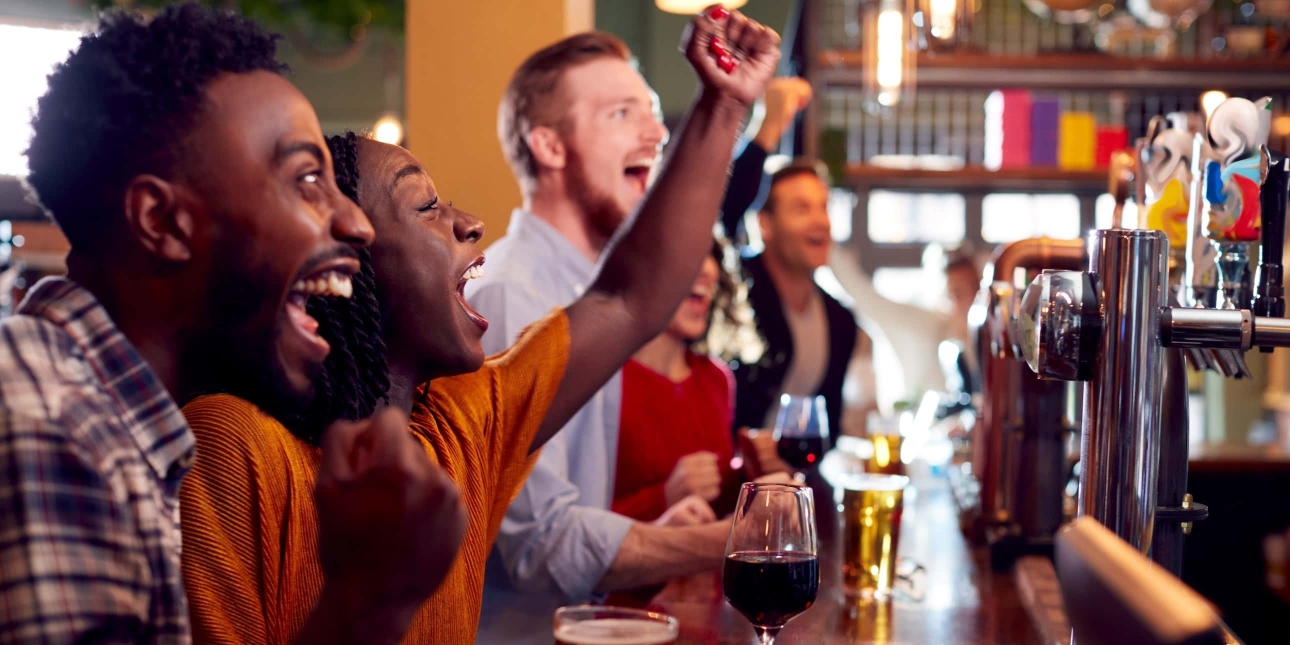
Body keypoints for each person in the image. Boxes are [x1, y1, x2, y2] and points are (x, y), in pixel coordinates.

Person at [178, 9, 781, 645]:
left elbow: (632, 296)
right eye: (426, 206)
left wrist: (724, 104)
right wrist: (375, 596)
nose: (470, 222)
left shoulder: (457, 425)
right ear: (350, 253)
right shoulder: (233, 447)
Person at [0, 5, 463, 644]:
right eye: (306, 180)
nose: (356, 226)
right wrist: (369, 600)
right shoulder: (45, 419)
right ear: (161, 223)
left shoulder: (121, 427)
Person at [466, 23, 781, 642]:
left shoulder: (588, 288)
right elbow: (537, 546)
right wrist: (732, 541)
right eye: (621, 113)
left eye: (655, 113)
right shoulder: (512, 295)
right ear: (550, 147)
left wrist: (665, 528)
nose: (656, 132)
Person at [613, 238, 777, 523]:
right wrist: (663, 498)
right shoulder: (606, 381)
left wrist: (752, 474)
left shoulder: (716, 378)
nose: (710, 269)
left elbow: (719, 506)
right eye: (690, 253)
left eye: (710, 256)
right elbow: (570, 534)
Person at [733, 160, 875, 440]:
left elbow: (829, 429)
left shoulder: (840, 320)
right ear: (765, 224)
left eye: (824, 207)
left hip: (795, 478)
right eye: (802, 209)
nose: (820, 221)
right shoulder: (734, 294)